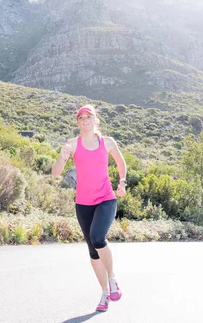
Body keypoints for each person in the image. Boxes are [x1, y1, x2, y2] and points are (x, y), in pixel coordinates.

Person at [52, 104, 127, 312]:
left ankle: (112, 279)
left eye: (89, 117)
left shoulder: (108, 142)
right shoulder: (72, 144)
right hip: (83, 204)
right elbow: (55, 173)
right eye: (81, 118)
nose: (85, 120)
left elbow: (121, 161)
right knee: (93, 252)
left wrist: (122, 181)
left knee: (97, 237)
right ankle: (104, 293)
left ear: (95, 120)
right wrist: (63, 157)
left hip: (106, 198)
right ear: (78, 123)